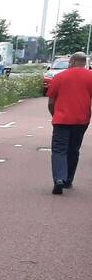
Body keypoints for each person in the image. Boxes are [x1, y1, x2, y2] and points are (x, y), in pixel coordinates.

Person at [46, 51, 92, 194]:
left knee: (59, 150)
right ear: (85, 63)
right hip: (81, 120)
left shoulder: (59, 77)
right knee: (74, 149)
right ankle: (68, 180)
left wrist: (55, 115)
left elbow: (51, 102)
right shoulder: (90, 77)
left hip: (61, 119)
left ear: (71, 62)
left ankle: (59, 179)